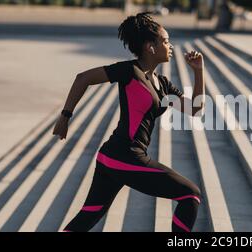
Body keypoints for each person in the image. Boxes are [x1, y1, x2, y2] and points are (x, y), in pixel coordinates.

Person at [52, 12, 205, 232]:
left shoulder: (162, 83)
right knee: (191, 194)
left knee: (87, 217)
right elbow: (83, 78)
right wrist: (65, 117)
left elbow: (195, 107)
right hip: (124, 156)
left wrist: (198, 72)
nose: (170, 46)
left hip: (115, 157)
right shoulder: (128, 71)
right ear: (150, 47)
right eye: (165, 41)